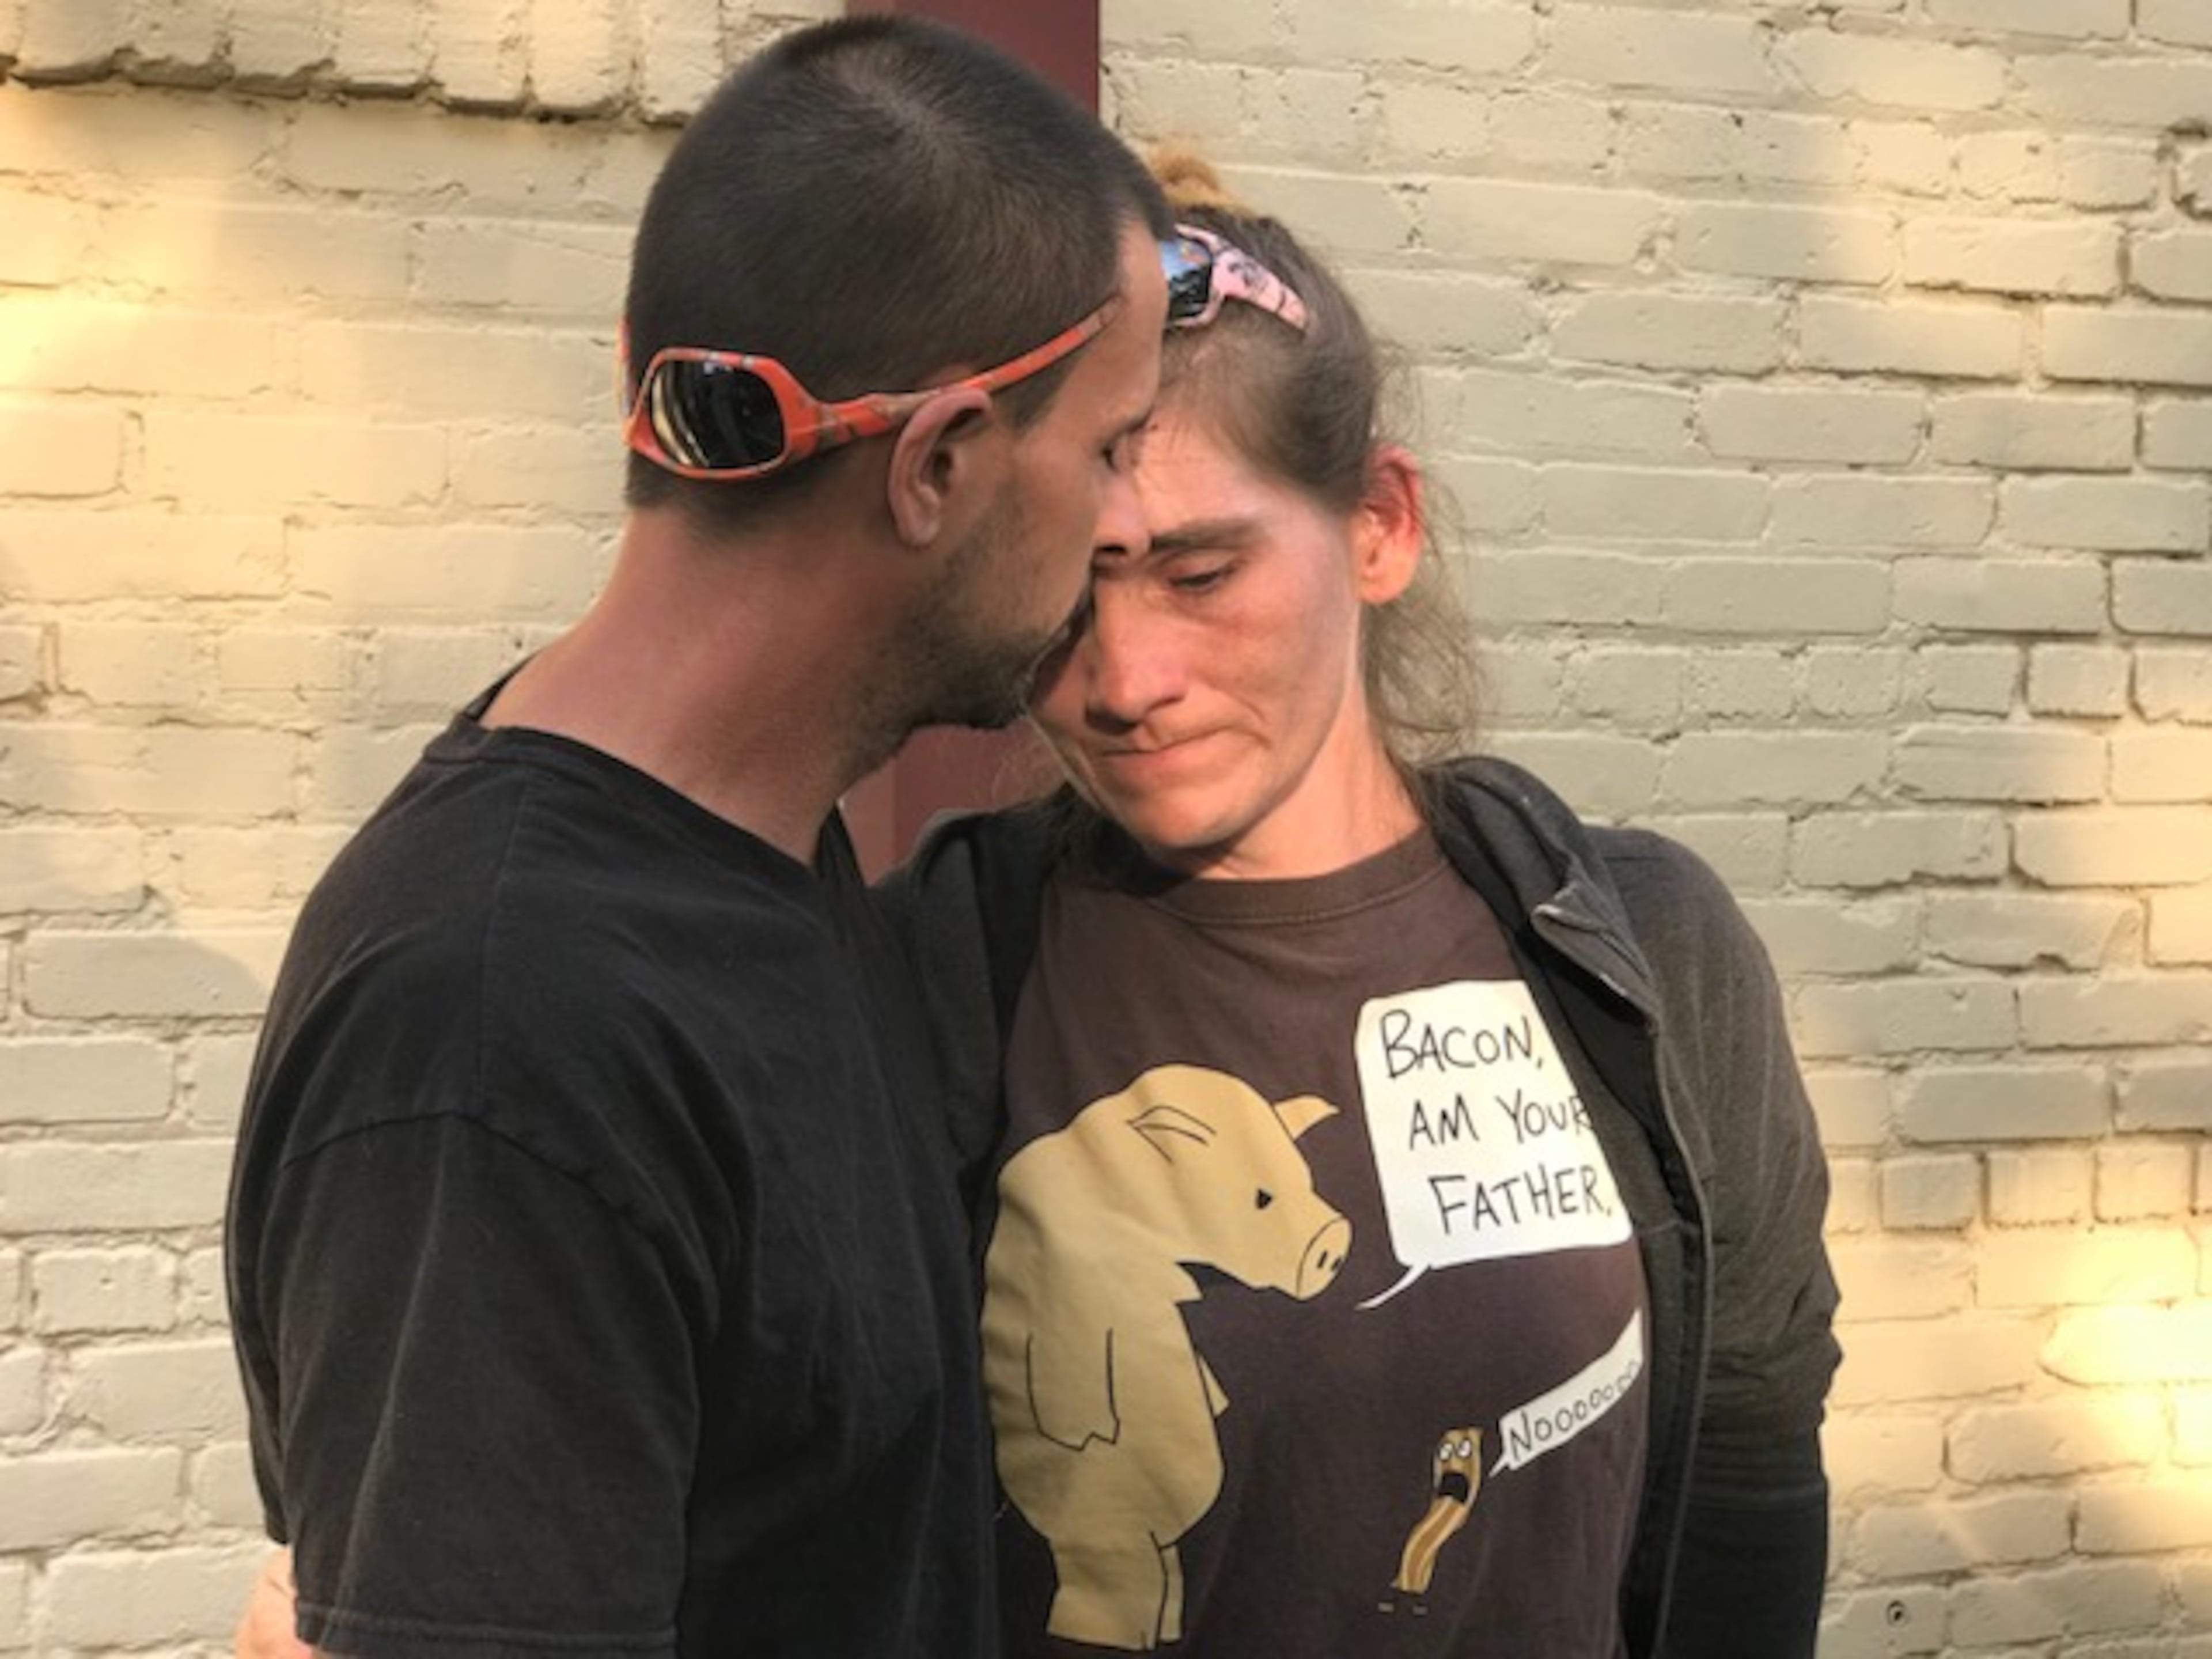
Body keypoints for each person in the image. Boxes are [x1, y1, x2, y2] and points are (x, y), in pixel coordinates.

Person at [223, 17, 1172, 1657]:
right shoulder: (508, 1031)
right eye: (1107, 451)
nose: (1125, 525)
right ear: (941, 462)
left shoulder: (756, 847)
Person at [886, 150, 1842, 1657]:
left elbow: (1746, 1462)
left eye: (1200, 572)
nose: (1126, 680)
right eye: (1070, 590)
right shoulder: (925, 984)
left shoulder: (1640, 958)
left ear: (1380, 525)